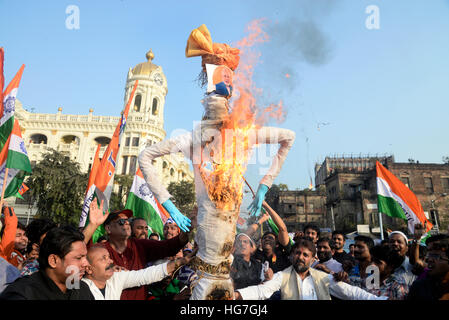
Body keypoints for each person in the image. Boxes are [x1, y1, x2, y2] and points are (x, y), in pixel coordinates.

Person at [82, 201, 190, 300]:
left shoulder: (140, 245)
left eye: (128, 221)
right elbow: (79, 250)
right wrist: (93, 224)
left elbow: (167, 248)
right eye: (121, 221)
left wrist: (188, 229)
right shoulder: (99, 251)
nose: (126, 223)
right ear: (108, 228)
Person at [234, 238, 386, 300]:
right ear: (292, 255)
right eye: (298, 253)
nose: (301, 257)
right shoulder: (282, 276)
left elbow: (351, 292)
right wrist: (235, 295)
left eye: (305, 255)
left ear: (313, 259)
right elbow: (261, 291)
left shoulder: (324, 278)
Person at [0, 226, 94, 300]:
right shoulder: (22, 293)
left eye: (85, 257)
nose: (86, 264)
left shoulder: (82, 289)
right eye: (78, 258)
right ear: (53, 260)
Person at [82, 243, 196, 300]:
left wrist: (181, 262)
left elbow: (146, 275)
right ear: (88, 269)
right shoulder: (79, 289)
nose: (110, 261)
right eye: (103, 258)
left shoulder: (116, 278)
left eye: (108, 257)